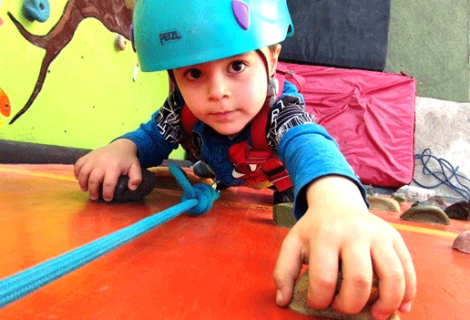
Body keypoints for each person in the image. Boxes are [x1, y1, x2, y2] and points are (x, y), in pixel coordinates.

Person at [74, 1, 416, 319]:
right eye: (194, 74)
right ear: (173, 78)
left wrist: (341, 205)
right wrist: (122, 148)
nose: (217, 92)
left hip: (285, 181)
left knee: (305, 202)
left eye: (237, 66)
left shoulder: (280, 110)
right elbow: (149, 137)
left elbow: (308, 143)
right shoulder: (181, 111)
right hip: (220, 177)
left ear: (272, 58)